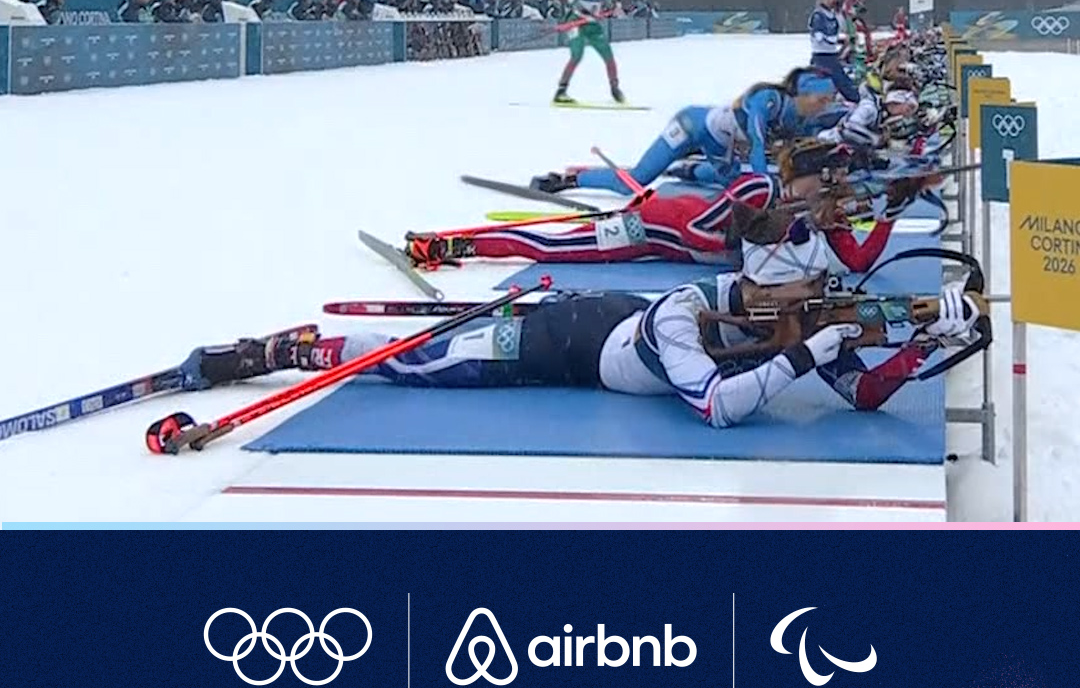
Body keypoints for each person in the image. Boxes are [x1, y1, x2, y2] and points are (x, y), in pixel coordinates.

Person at [195, 225, 982, 431]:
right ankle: (291, 349)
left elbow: (867, 394)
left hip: (610, 318)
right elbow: (714, 409)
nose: (821, 297)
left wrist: (927, 339)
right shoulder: (684, 312)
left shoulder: (806, 318)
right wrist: (809, 353)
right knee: (423, 362)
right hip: (571, 346)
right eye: (807, 286)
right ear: (760, 287)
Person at [405, 139, 926, 273]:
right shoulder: (758, 190)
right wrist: (770, 237)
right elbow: (698, 233)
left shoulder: (813, 216)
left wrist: (887, 215)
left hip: (663, 240)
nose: (831, 187)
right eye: (826, 178)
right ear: (805, 176)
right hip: (652, 225)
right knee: (549, 249)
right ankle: (452, 243)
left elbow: (857, 261)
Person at [543, 69, 839, 196]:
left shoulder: (801, 119)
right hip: (689, 126)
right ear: (804, 94)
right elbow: (758, 143)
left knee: (735, 183)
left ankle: (686, 170)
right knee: (634, 183)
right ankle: (570, 179)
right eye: (822, 100)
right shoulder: (770, 99)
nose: (823, 107)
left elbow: (825, 132)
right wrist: (766, 184)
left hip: (715, 144)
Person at [553, 0, 624, 105]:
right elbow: (571, 2)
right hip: (575, 20)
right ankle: (561, 91)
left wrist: (613, 8)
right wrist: (587, 14)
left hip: (592, 24)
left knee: (608, 55)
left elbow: (605, 2)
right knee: (577, 54)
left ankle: (615, 89)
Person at [808, 0, 860, 102]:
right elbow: (820, 37)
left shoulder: (832, 14)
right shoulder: (818, 16)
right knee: (839, 79)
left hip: (832, 55)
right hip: (822, 57)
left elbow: (841, 28)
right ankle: (855, 99)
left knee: (844, 77)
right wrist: (837, 40)